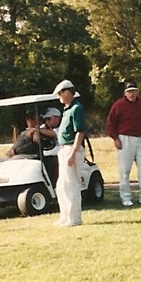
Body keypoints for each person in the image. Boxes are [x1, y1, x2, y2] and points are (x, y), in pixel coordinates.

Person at [106, 80, 141, 206]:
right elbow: (110, 123)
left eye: (134, 91)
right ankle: (126, 197)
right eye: (129, 92)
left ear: (137, 92)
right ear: (125, 93)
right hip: (125, 138)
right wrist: (115, 138)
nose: (131, 94)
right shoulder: (118, 105)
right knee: (125, 170)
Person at [53, 79, 86, 227]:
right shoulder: (67, 109)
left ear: (67, 92)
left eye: (61, 93)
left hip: (72, 148)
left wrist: (73, 153)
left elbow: (79, 132)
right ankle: (65, 216)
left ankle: (74, 218)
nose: (59, 96)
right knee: (62, 185)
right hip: (64, 148)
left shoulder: (76, 108)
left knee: (71, 184)